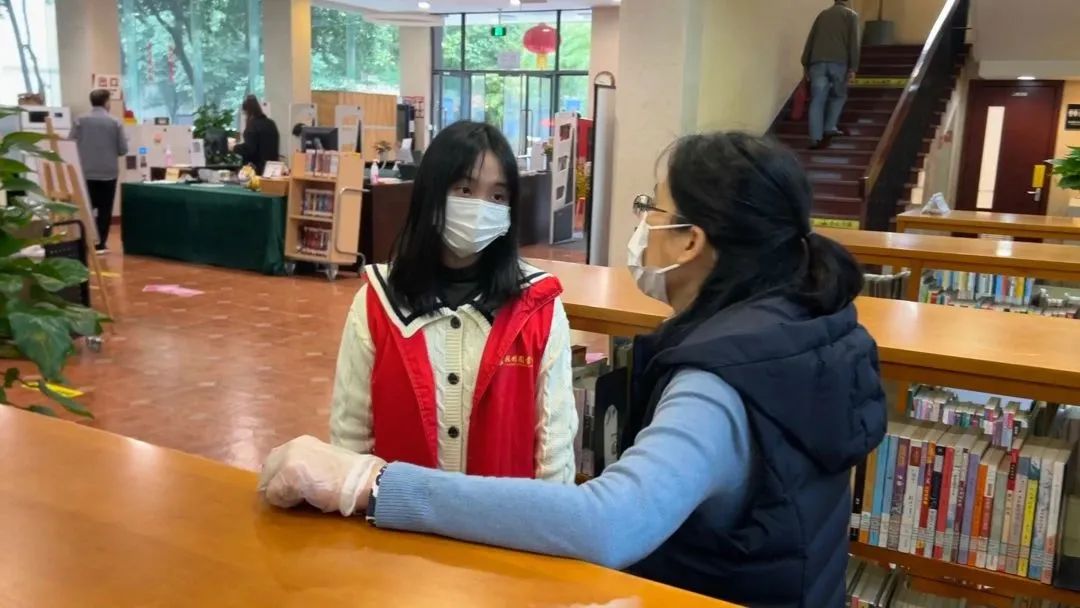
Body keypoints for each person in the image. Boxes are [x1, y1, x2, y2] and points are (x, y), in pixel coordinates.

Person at [259, 131, 887, 607]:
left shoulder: (718, 384)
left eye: (651, 207)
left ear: (691, 240)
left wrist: (370, 483)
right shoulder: (808, 324)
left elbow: (606, 522)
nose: (642, 225)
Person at [325, 120, 577, 482]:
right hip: (402, 514)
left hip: (505, 517)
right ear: (432, 193)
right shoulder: (376, 303)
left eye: (497, 197)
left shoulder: (538, 307)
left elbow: (554, 451)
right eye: (464, 189)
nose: (480, 208)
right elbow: (349, 440)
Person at [71, 89, 128, 253]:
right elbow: (123, 149)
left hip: (85, 172)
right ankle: (100, 244)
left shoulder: (79, 120)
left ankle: (85, 241)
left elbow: (70, 143)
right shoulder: (115, 122)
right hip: (108, 173)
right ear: (107, 102)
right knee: (105, 209)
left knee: (86, 208)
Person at [802, 0, 861, 149]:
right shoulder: (851, 16)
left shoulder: (822, 15)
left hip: (817, 63)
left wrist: (805, 62)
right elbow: (853, 43)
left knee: (817, 100)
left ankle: (815, 138)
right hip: (838, 63)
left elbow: (811, 39)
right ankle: (829, 127)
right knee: (839, 95)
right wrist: (853, 67)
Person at [233, 95, 279, 174]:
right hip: (272, 170)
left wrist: (234, 147)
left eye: (245, 114)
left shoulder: (252, 126)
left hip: (256, 170)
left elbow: (250, 150)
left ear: (248, 112)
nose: (245, 117)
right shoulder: (271, 123)